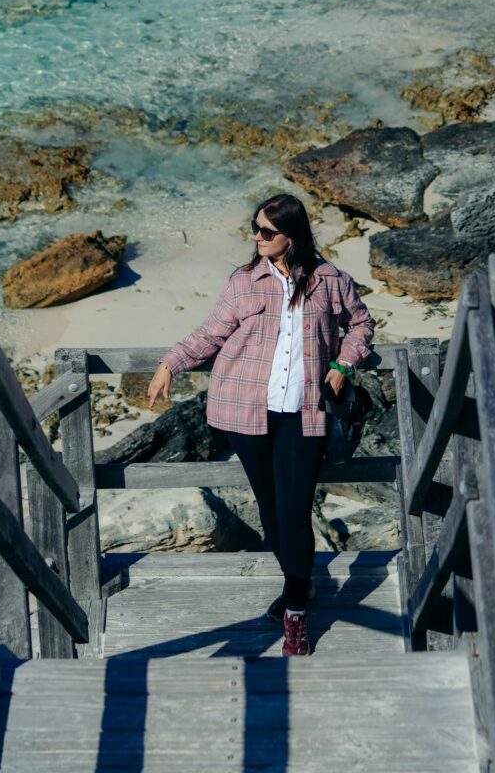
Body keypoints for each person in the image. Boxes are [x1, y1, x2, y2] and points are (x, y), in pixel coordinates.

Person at [147, 193, 376, 657]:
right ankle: (301, 584)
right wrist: (171, 362)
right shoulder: (243, 282)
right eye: (254, 229)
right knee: (271, 512)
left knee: (293, 512)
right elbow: (211, 333)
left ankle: (295, 610)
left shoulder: (331, 281)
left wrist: (344, 366)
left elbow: (362, 326)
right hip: (245, 410)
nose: (257, 237)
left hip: (305, 413)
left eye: (267, 232)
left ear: (292, 236)